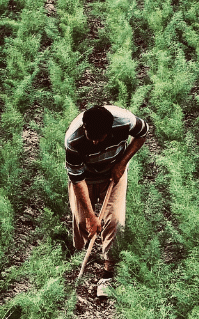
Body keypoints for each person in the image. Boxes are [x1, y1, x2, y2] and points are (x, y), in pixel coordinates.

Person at [65, 104, 150, 291]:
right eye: (91, 138)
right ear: (84, 128)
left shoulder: (125, 121)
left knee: (115, 221)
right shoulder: (73, 139)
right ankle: (81, 255)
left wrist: (122, 162)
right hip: (85, 178)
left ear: (109, 130)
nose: (95, 143)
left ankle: (108, 270)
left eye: (100, 138)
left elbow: (143, 133)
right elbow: (77, 179)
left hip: (113, 172)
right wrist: (90, 215)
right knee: (81, 221)